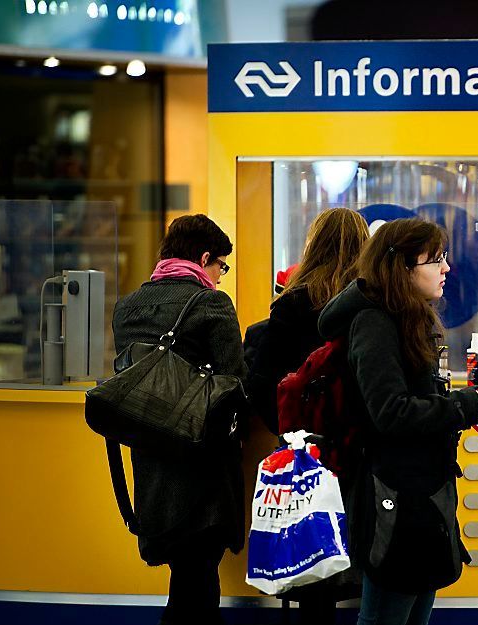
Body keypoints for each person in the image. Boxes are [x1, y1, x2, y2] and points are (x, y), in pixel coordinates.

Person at [317, 218, 478, 625]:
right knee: (386, 615)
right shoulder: (375, 323)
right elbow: (390, 412)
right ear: (401, 267)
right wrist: (465, 406)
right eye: (435, 259)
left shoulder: (408, 320)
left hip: (423, 491)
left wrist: (462, 405)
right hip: (395, 495)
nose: (446, 268)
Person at [111, 214, 246, 625]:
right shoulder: (211, 303)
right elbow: (234, 383)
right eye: (221, 265)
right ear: (205, 258)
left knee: (188, 578)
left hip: (151, 462)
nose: (221, 276)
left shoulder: (128, 306)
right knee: (199, 583)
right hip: (201, 465)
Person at [246, 207, 370, 625]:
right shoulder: (369, 303)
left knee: (312, 559)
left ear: (312, 245)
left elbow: (260, 379)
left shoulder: (293, 303)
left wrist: (289, 432)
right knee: (367, 553)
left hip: (307, 453)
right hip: (360, 448)